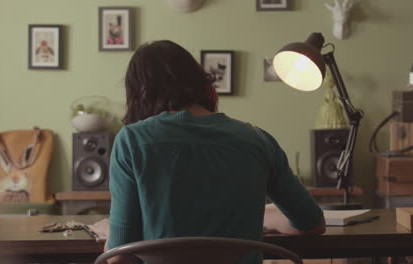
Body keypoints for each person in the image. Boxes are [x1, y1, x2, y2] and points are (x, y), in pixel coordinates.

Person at [102, 40, 325, 264]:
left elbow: (119, 257)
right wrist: (265, 219)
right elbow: (313, 223)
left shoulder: (132, 141)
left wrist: (113, 232)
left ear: (139, 95)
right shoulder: (258, 140)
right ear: (200, 83)